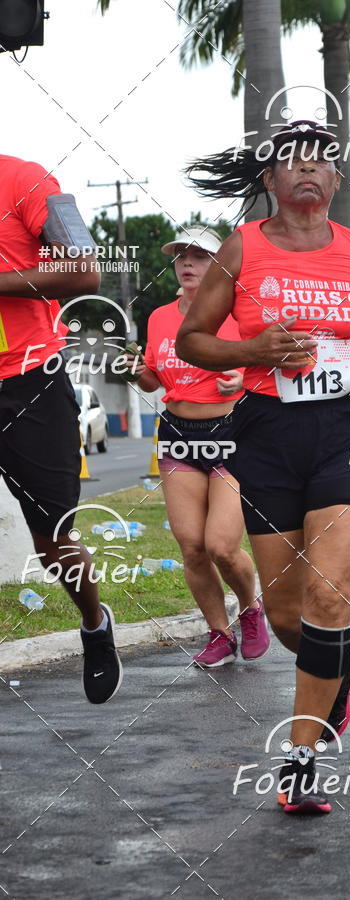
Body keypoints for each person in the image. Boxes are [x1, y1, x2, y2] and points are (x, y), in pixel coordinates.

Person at [176, 120, 350, 812]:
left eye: (321, 161)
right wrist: (254, 349)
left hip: (347, 426)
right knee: (292, 617)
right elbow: (193, 340)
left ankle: (301, 762)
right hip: (266, 432)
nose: (307, 171)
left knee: (328, 598)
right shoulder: (242, 249)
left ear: (336, 180)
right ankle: (342, 661)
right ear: (270, 181)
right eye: (291, 162)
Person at [0, 154, 122, 703]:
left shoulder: (24, 180)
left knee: (52, 543)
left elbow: (84, 271)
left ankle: (94, 623)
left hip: (29, 382)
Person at [125, 228, 269, 667]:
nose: (188, 263)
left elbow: (274, 365)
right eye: (181, 257)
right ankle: (218, 633)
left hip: (232, 433)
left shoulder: (241, 313)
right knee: (191, 546)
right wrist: (135, 371)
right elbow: (154, 378)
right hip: (177, 434)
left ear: (221, 266)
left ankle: (249, 608)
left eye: (200, 257)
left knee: (221, 545)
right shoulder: (160, 317)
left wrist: (244, 378)